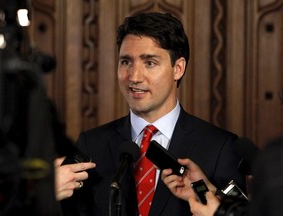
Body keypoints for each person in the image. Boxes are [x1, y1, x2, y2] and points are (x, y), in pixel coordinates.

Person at [55, 12, 245, 216]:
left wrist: (212, 197)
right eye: (126, 62)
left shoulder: (221, 147)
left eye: (150, 63)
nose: (134, 77)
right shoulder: (91, 144)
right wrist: (48, 194)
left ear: (178, 68)